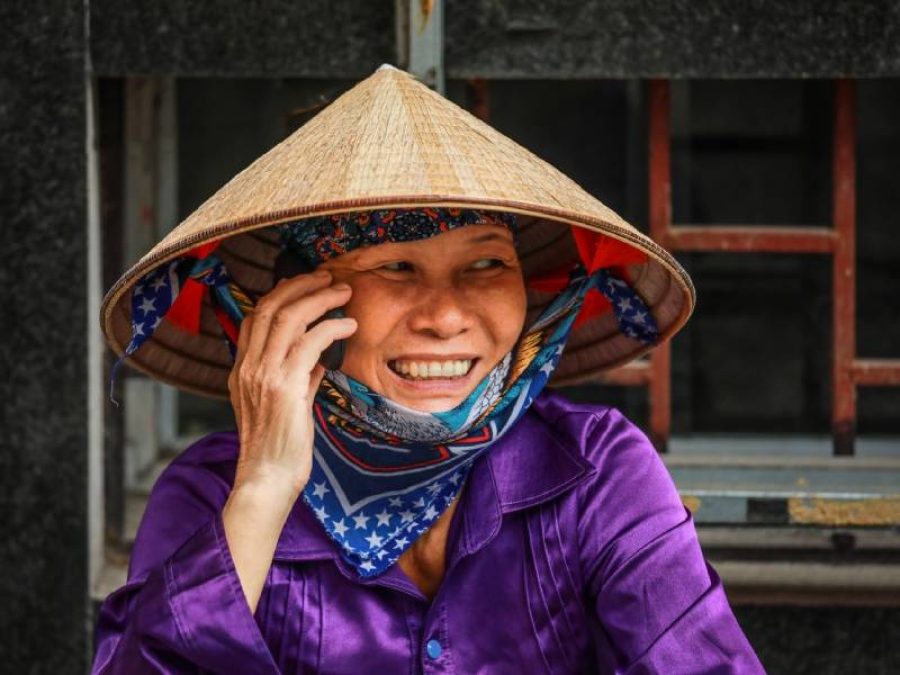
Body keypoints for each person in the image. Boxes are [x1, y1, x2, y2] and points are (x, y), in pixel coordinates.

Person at [91, 66, 764, 673]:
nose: (446, 316)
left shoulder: (593, 469)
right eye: (395, 267)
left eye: (486, 264)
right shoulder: (212, 491)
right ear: (296, 309)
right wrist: (264, 487)